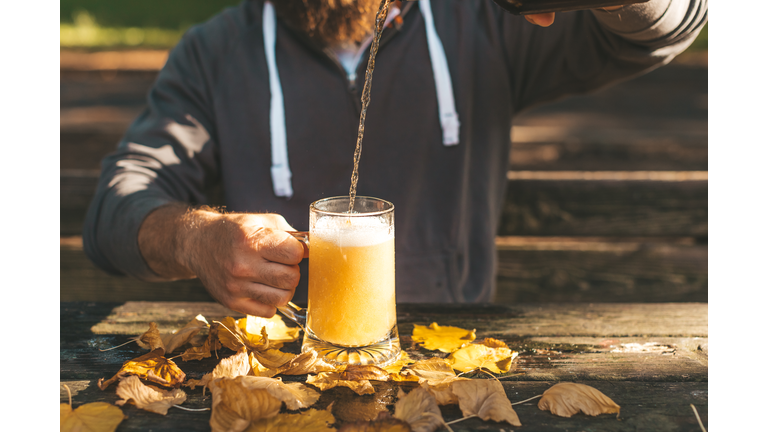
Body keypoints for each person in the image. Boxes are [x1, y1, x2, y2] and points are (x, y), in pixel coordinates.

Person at [83, 0, 708, 317]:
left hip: (452, 364)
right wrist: (198, 239)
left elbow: (671, 26)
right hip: (280, 377)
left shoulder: (481, 21)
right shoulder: (215, 52)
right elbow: (117, 206)